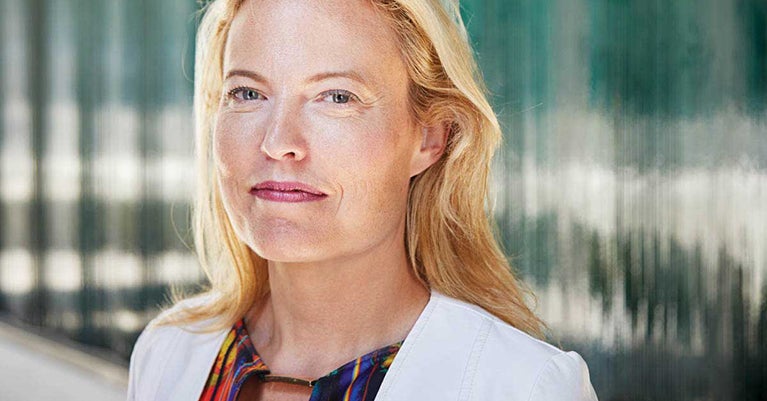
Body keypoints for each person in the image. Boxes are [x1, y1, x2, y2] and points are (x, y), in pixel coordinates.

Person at [127, 0, 599, 399]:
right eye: (248, 92)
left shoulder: (521, 386)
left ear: (430, 137)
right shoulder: (168, 353)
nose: (278, 141)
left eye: (337, 97)